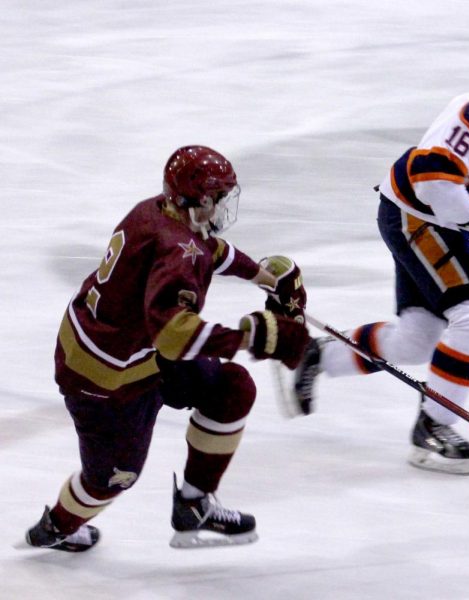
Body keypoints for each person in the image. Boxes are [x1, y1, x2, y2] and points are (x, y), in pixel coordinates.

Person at [289, 55, 469, 475]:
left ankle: (322, 356)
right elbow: (434, 181)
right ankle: (435, 425)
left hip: (445, 221)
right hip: (416, 214)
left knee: (418, 340)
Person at [24, 145, 310, 552]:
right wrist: (250, 337)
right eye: (219, 197)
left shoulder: (159, 210)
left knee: (231, 389)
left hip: (135, 353)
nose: (223, 206)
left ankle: (193, 505)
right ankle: (58, 527)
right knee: (111, 479)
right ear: (201, 199)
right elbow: (174, 336)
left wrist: (265, 277)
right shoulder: (177, 251)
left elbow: (209, 251)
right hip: (105, 379)